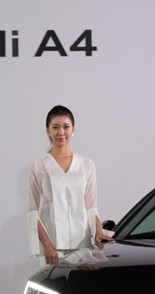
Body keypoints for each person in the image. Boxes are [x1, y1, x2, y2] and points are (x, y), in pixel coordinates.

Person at [27, 105, 113, 266]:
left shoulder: (87, 165)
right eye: (55, 127)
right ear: (47, 130)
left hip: (84, 245)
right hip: (53, 248)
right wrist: (47, 246)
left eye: (66, 127)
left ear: (73, 129)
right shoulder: (39, 167)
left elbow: (91, 206)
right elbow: (32, 211)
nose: (61, 132)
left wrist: (99, 232)